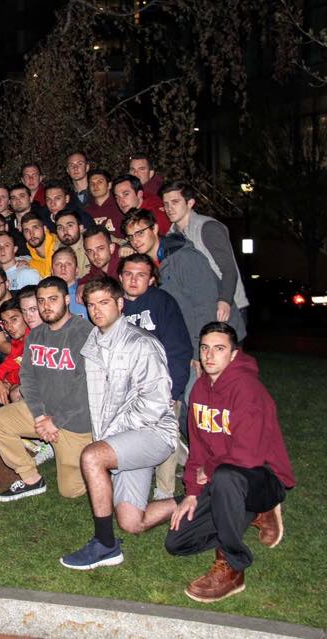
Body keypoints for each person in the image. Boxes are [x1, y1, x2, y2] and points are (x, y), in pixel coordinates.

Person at [166, 322, 295, 603]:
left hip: (262, 477)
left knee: (225, 476)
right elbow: (197, 448)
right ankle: (254, 513)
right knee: (178, 542)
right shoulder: (199, 390)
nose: (209, 355)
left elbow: (247, 455)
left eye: (219, 349)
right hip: (223, 479)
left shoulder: (248, 390)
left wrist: (208, 471)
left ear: (234, 355)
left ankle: (233, 566)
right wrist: (191, 493)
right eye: (205, 348)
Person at [60, 277, 178, 570]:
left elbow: (156, 402)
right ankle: (200, 502)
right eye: (91, 304)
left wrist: (108, 438)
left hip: (153, 434)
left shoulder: (141, 344)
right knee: (132, 521)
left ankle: (105, 545)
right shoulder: (93, 344)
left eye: (104, 303)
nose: (97, 310)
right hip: (123, 438)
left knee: (92, 456)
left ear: (120, 304)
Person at [0, 277, 93, 502]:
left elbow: (85, 387)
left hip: (75, 422)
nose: (46, 306)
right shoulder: (36, 334)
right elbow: (28, 378)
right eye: (41, 300)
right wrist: (40, 415)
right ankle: (31, 480)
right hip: (43, 414)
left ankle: (97, 456)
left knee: (71, 491)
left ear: (66, 300)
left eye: (52, 299)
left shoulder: (83, 333)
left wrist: (55, 421)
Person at [119, 253, 193, 499]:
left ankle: (165, 490)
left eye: (141, 275)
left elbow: (178, 348)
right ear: (120, 277)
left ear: (151, 279)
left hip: (160, 383)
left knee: (165, 435)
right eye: (128, 274)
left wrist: (172, 392)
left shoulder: (163, 302)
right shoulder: (114, 305)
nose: (133, 280)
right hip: (128, 387)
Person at [122, 209, 246, 356]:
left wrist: (199, 351)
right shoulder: (148, 266)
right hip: (189, 341)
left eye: (140, 233)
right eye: (131, 237)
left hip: (220, 337)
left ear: (154, 228)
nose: (135, 241)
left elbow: (205, 306)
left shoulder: (184, 257)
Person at [161, 180, 249, 325]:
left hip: (226, 308)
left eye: (175, 202)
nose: (169, 208)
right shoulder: (170, 237)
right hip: (197, 310)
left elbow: (228, 269)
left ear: (190, 203)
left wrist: (225, 300)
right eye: (166, 204)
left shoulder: (208, 228)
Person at [0, 298, 29, 406]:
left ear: (26, 316)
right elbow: (9, 364)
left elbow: (29, 371)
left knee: (16, 393)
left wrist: (10, 381)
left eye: (14, 319)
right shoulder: (17, 342)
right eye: (5, 323)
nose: (9, 327)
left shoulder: (34, 337)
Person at [85, 169, 123, 237]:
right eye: (92, 183)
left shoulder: (120, 205)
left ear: (109, 185)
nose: (95, 186)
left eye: (100, 182)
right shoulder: (86, 211)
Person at [51, 247, 87, 318]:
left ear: (77, 270)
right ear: (52, 271)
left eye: (68, 264)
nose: (63, 267)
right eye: (58, 264)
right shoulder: (44, 296)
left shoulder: (86, 292)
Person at [21, 213, 58, 277]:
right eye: (26, 231)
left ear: (44, 229)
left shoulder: (59, 245)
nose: (31, 234)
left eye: (35, 228)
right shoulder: (32, 264)